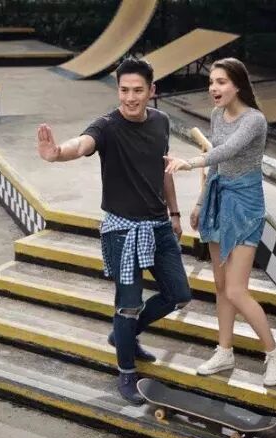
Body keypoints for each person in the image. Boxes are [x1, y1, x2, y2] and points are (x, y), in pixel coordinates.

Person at [36, 57, 192, 404]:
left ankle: (124, 335)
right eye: (124, 90)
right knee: (128, 305)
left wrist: (175, 213)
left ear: (152, 91)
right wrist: (57, 153)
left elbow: (164, 171)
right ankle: (126, 372)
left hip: (159, 225)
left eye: (138, 90)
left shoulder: (161, 122)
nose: (130, 98)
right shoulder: (107, 126)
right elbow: (83, 144)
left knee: (179, 295)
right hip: (122, 230)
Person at [164, 57, 276, 387]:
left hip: (245, 205)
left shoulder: (254, 120)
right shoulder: (217, 115)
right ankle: (224, 351)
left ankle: (275, 352)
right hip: (219, 200)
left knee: (235, 289)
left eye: (220, 82)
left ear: (238, 85)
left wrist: (189, 162)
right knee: (220, 286)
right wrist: (200, 202)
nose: (213, 88)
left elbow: (227, 151)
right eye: (211, 82)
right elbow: (217, 166)